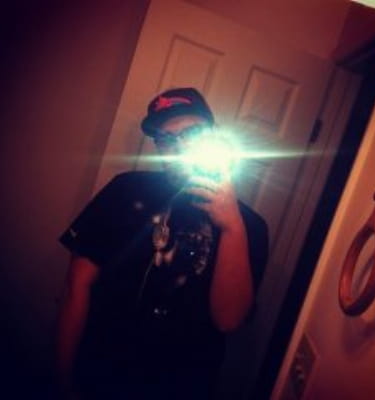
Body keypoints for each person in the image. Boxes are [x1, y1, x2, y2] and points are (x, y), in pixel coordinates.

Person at [56, 87, 269, 399]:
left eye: (192, 133)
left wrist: (232, 226)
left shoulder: (251, 225)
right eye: (165, 138)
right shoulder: (125, 190)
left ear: (215, 134)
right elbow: (77, 286)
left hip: (181, 385)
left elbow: (228, 320)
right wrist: (61, 379)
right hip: (100, 371)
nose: (179, 146)